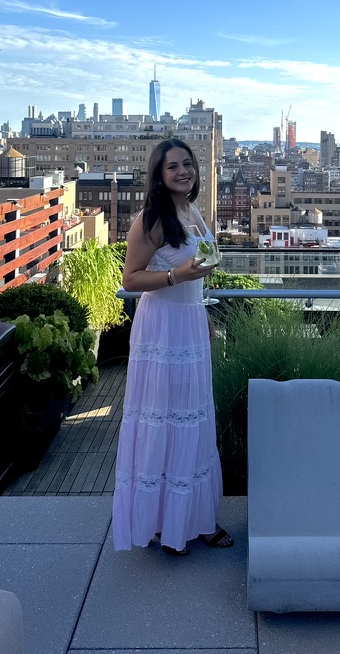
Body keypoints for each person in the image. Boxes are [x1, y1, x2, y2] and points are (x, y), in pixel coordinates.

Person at [112, 138, 233, 555]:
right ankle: (165, 524)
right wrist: (175, 279)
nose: (183, 171)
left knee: (192, 420)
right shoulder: (153, 219)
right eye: (173, 167)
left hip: (189, 325)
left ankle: (192, 519)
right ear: (159, 175)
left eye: (187, 164)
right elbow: (130, 279)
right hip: (162, 329)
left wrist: (199, 311)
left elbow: (196, 271)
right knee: (165, 420)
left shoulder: (192, 210)